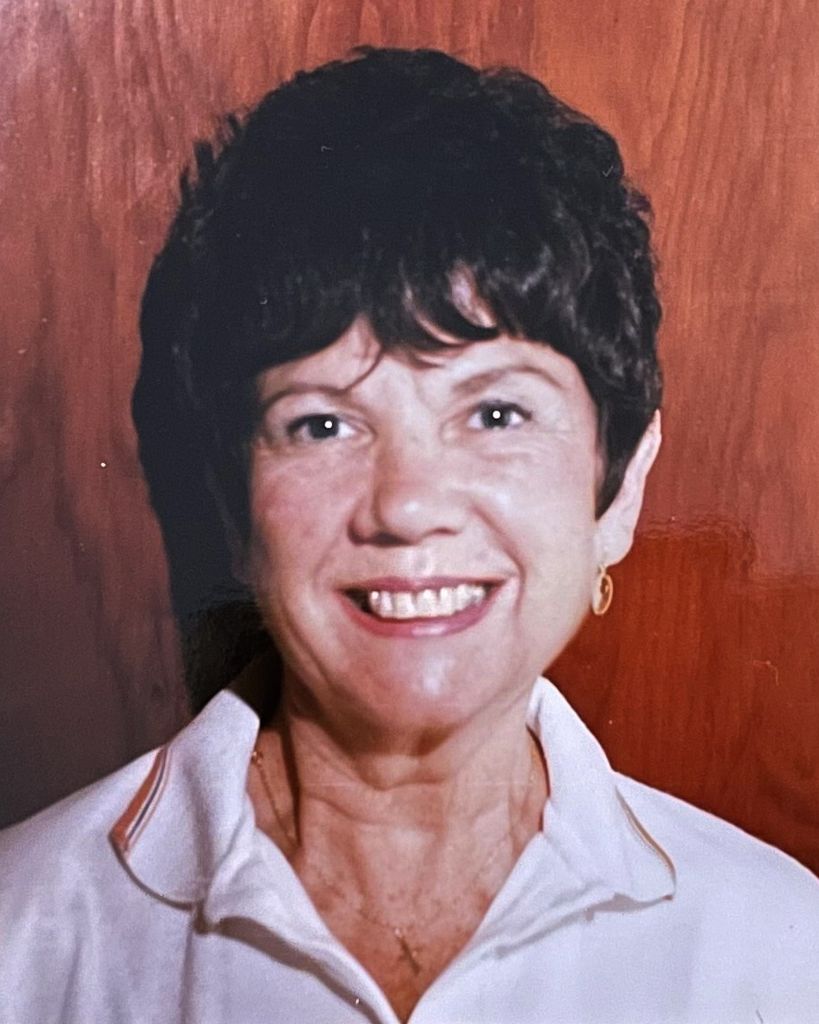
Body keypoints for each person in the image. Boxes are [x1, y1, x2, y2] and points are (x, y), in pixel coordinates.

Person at [1, 46, 817, 1024]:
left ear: (620, 492)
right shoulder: (26, 938)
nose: (408, 505)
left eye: (497, 414)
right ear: (234, 503)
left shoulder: (779, 954)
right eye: (323, 424)